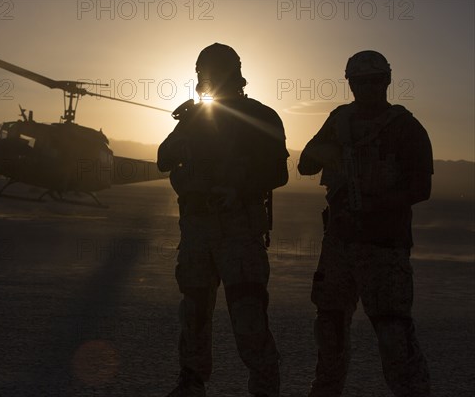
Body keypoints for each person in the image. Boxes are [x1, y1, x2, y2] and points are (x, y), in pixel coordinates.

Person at [298, 50, 433, 397]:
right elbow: (305, 165)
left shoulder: (406, 128)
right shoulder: (339, 120)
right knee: (329, 328)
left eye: (374, 81)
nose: (367, 89)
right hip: (339, 243)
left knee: (393, 335)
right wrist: (330, 154)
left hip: (384, 247)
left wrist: (376, 203)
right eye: (359, 82)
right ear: (351, 84)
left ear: (387, 81)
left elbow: (421, 188)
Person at [157, 43, 289, 397]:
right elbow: (162, 159)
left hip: (239, 230)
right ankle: (191, 383)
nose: (205, 77)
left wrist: (239, 188)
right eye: (203, 71)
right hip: (198, 231)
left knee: (248, 319)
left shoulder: (260, 116)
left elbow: (278, 172)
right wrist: (181, 135)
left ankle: (264, 388)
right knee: (194, 314)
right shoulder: (194, 117)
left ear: (230, 73)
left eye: (211, 71)